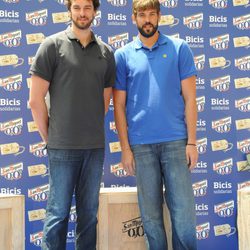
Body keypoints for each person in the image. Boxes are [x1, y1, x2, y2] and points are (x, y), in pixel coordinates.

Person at [29, 0, 115, 249]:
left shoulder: (106, 52)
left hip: (94, 148)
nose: (82, 13)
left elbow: (105, 101)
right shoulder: (51, 46)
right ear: (69, 11)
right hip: (62, 149)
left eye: (87, 8)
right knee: (58, 215)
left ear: (95, 11)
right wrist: (51, 139)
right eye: (76, 7)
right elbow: (35, 101)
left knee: (89, 217)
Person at [113, 0, 198, 249]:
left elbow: (191, 98)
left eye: (152, 14)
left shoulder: (179, 48)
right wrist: (125, 149)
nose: (147, 19)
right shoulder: (123, 55)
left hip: (175, 143)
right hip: (141, 146)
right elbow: (118, 106)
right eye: (142, 15)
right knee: (150, 218)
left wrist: (192, 141)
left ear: (159, 16)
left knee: (183, 216)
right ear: (134, 18)